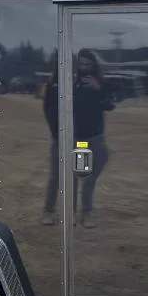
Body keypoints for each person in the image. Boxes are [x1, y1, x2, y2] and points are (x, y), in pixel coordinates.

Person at [42, 50, 113, 228]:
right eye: (81, 65)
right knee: (61, 175)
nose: (84, 68)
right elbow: (50, 111)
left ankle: (85, 212)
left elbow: (109, 104)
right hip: (68, 137)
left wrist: (99, 89)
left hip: (90, 137)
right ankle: (59, 212)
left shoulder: (94, 83)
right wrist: (59, 135)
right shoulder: (58, 85)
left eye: (88, 65)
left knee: (88, 173)